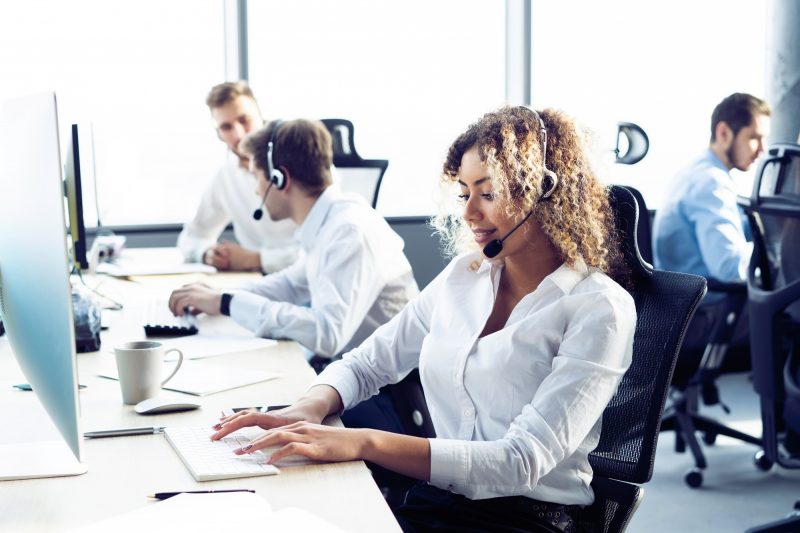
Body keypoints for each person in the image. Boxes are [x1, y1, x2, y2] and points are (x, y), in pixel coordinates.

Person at [209, 107, 636, 532]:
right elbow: (367, 362)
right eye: (464, 192)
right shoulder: (463, 278)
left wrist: (361, 442)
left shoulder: (599, 308)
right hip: (440, 503)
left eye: (487, 194)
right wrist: (306, 407)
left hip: (526, 521)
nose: (469, 213)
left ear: (543, 191)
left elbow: (519, 462)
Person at [168, 118, 419, 360]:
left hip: (388, 392)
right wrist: (219, 295)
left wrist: (227, 303)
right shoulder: (328, 221)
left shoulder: (349, 231)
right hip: (354, 372)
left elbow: (327, 334)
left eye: (257, 176)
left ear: (280, 179)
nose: (256, 190)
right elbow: (290, 285)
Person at [177, 81, 298, 273]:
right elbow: (191, 237)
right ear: (219, 134)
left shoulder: (302, 161)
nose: (239, 134)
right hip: (257, 284)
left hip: (303, 287)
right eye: (226, 127)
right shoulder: (226, 177)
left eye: (244, 120)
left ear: (260, 115)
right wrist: (206, 252)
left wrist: (256, 259)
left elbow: (324, 249)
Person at [653, 92, 771, 282]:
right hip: (708, 304)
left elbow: (737, 226)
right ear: (723, 132)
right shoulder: (710, 182)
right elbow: (729, 266)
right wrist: (780, 254)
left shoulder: (700, 171)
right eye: (754, 138)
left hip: (692, 296)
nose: (762, 149)